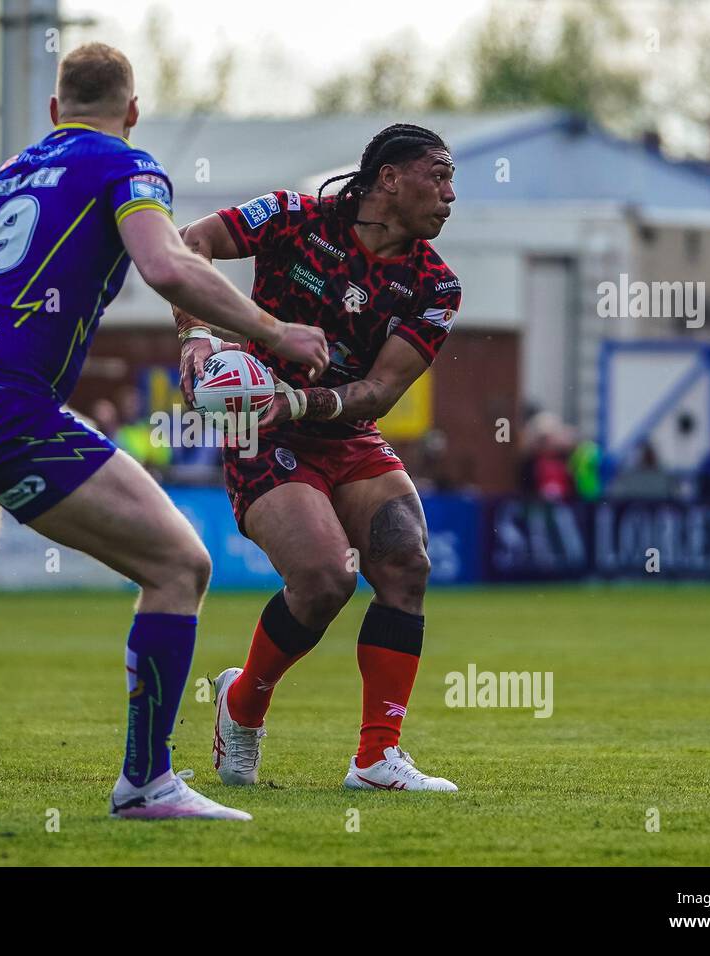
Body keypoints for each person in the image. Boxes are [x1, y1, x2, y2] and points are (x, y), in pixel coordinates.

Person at [0, 42, 328, 820]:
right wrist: (276, 331)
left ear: (54, 111)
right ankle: (146, 782)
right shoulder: (125, 166)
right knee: (179, 565)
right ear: (131, 112)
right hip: (0, 404)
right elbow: (165, 267)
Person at [175, 123, 462, 793]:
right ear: (390, 178)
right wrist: (196, 338)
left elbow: (382, 391)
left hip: (340, 427)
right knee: (326, 581)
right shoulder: (292, 217)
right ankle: (242, 706)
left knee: (405, 561)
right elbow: (192, 243)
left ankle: (375, 760)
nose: (451, 195)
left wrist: (300, 402)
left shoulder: (435, 286)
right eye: (440, 177)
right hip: (260, 432)